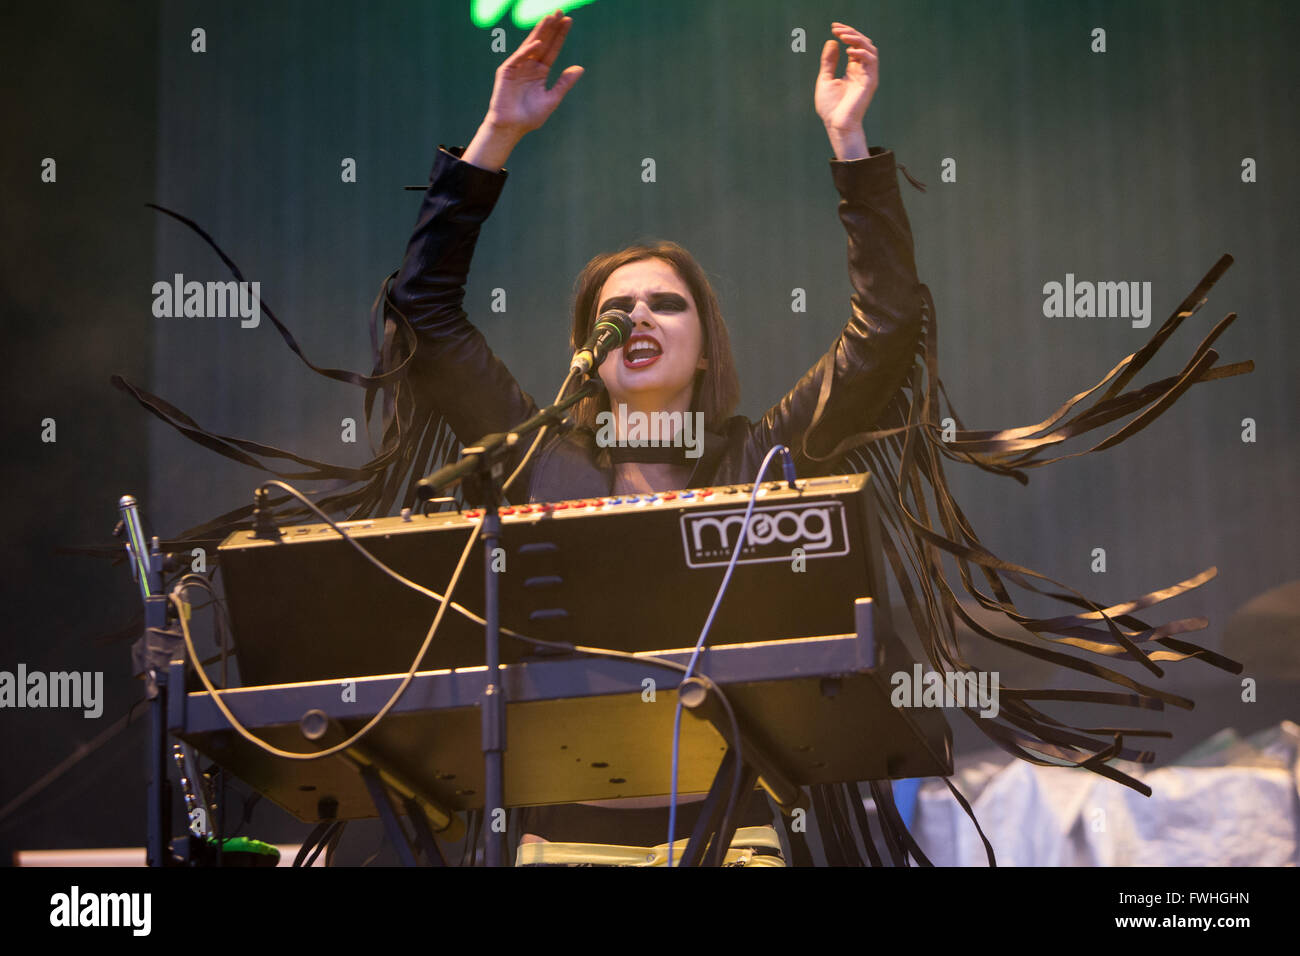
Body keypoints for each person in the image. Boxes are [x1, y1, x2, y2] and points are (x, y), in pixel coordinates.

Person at [386, 12, 920, 866]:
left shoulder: (762, 458)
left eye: (665, 303)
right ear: (587, 354)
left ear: (706, 350)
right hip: (565, 838)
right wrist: (496, 136)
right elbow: (425, 317)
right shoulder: (537, 456)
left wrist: (849, 144)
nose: (637, 314)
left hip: (733, 833)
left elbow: (886, 328)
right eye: (614, 308)